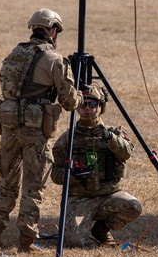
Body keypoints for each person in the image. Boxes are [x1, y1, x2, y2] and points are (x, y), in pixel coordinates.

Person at [0, 8, 82, 252]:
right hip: (35, 130)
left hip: (9, 126)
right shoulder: (54, 60)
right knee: (33, 185)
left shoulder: (13, 54)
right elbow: (69, 102)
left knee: (7, 181)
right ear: (52, 30)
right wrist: (82, 96)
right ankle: (26, 241)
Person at [50, 84, 141, 247]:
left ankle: (101, 229)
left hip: (108, 196)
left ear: (101, 107)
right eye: (83, 104)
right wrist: (72, 174)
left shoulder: (114, 133)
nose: (88, 109)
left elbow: (127, 152)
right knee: (75, 241)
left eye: (93, 104)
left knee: (133, 206)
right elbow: (55, 174)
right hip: (80, 199)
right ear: (77, 108)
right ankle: (80, 225)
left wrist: (109, 138)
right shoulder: (68, 138)